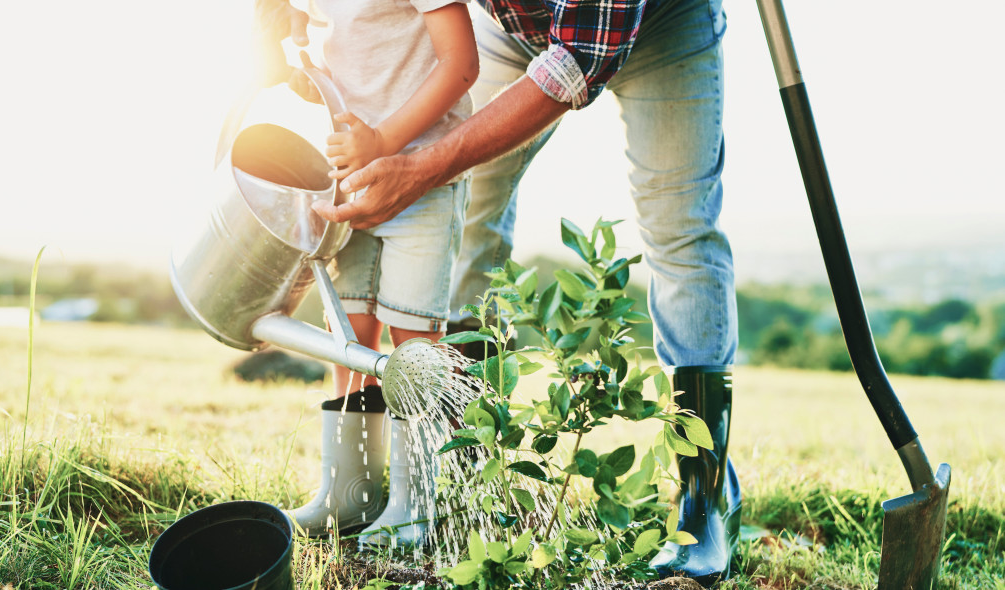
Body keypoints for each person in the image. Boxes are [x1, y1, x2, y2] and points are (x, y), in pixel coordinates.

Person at [309, 0, 740, 584]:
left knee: (680, 228)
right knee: (472, 191)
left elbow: (577, 58)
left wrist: (423, 168)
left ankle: (704, 497)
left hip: (660, 21)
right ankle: (453, 467)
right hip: (514, 26)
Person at [251, 0, 479, 548]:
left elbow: (462, 63)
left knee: (413, 345)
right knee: (348, 334)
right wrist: (311, 78)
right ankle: (348, 491)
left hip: (425, 178)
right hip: (352, 181)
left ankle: (415, 504)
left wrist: (383, 139)